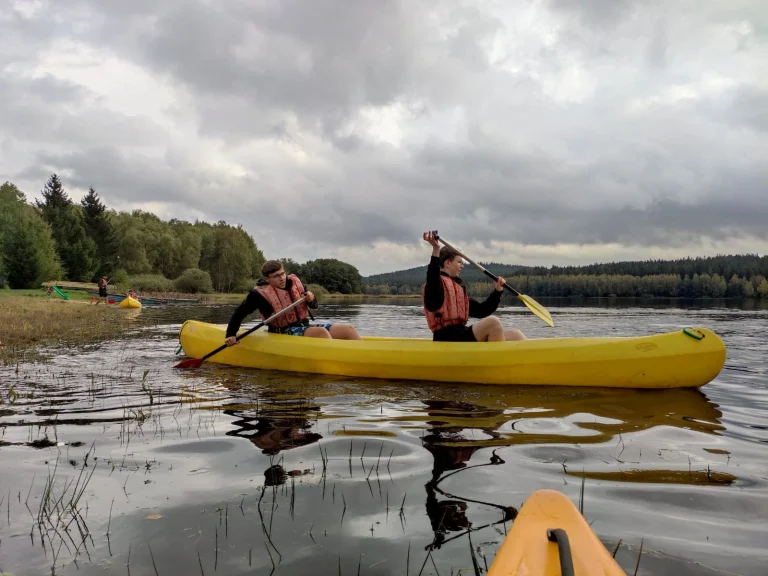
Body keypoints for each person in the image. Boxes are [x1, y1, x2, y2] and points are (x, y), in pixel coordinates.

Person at [224, 260, 362, 345]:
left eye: (282, 273)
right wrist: (230, 334)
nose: (282, 278)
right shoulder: (259, 295)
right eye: (276, 276)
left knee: (349, 330)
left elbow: (314, 305)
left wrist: (311, 298)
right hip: (282, 331)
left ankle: (363, 357)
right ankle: (339, 363)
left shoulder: (294, 282)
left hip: (304, 326)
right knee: (321, 333)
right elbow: (239, 313)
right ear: (267, 279)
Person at [422, 231, 526, 342]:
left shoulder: (458, 288)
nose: (462, 266)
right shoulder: (435, 285)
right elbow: (433, 276)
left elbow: (482, 310)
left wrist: (497, 291)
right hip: (446, 338)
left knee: (516, 334)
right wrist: (436, 249)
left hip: (461, 334)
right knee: (493, 323)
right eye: (459, 262)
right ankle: (496, 358)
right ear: (447, 263)